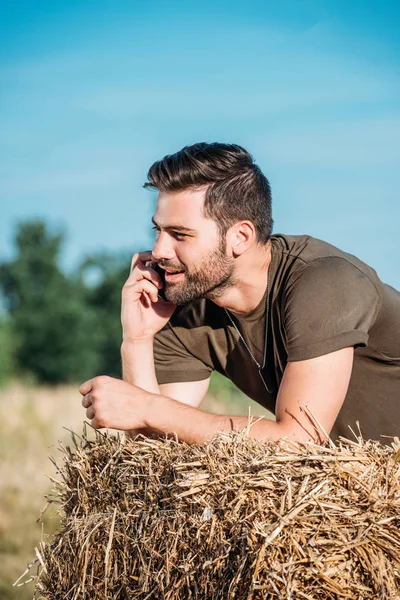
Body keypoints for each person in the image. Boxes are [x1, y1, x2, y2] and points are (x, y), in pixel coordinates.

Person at [80, 142, 400, 445]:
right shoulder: (181, 308)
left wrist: (149, 407)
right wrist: (136, 339)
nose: (159, 250)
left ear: (240, 237)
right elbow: (153, 452)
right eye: (158, 231)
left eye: (180, 234)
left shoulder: (326, 281)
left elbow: (298, 441)